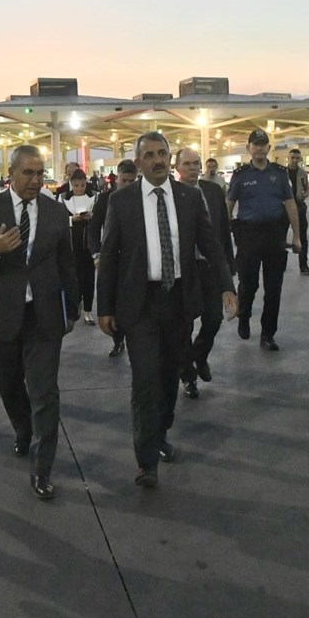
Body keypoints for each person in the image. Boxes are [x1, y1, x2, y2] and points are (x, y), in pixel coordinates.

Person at [97, 132, 236, 488]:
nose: (157, 160)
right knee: (145, 380)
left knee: (170, 376)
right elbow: (109, 255)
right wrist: (104, 307)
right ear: (138, 162)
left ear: (170, 158)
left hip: (178, 301)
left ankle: (160, 432)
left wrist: (227, 286)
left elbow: (212, 245)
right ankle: (146, 462)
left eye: (162, 153)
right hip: (139, 304)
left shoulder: (189, 197)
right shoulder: (122, 200)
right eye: (149, 155)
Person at [0, 145, 80, 501]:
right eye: (28, 173)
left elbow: (67, 263)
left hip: (44, 317)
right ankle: (22, 428)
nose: (35, 180)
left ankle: (42, 467)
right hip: (1, 315)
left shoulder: (55, 212)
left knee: (45, 392)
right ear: (11, 174)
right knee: (9, 383)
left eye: (40, 173)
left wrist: (73, 308)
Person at [226, 128, 300, 350]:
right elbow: (228, 205)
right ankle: (244, 315)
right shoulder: (241, 175)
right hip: (248, 235)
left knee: (273, 288)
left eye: (263, 144)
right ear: (248, 148)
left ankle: (268, 334)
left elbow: (290, 204)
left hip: (274, 235)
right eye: (255, 145)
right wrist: (224, 235)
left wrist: (297, 236)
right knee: (248, 284)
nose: (259, 148)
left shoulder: (279, 173)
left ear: (269, 147)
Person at [174, 147, 235, 399]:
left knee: (214, 318)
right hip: (185, 270)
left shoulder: (213, 191)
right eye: (187, 164)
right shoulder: (172, 195)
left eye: (196, 163)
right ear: (177, 168)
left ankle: (199, 355)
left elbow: (222, 231)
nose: (193, 168)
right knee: (184, 325)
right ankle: (188, 377)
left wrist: (228, 269)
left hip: (210, 267)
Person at [89, 158, 138, 357]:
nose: (128, 184)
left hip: (135, 259)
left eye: (132, 181)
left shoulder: (142, 199)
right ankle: (118, 340)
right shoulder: (105, 199)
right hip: (111, 258)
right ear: (117, 178)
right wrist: (96, 254)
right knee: (113, 301)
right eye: (124, 180)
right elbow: (93, 229)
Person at [60, 168, 98, 324]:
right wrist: (71, 220)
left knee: (89, 279)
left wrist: (92, 216)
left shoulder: (95, 196)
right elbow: (59, 220)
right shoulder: (63, 198)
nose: (79, 188)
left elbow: (100, 219)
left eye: (82, 185)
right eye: (76, 185)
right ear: (71, 184)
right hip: (71, 245)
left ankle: (88, 311)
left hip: (89, 244)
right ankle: (75, 306)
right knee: (74, 278)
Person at [286, 148, 309, 275]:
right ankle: (280, 264)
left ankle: (303, 265)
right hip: (284, 207)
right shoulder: (282, 173)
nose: (294, 160)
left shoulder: (302, 173)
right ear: (288, 158)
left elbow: (306, 187)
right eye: (292, 158)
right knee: (281, 236)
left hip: (299, 207)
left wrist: (305, 194)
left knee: (302, 237)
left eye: (297, 158)